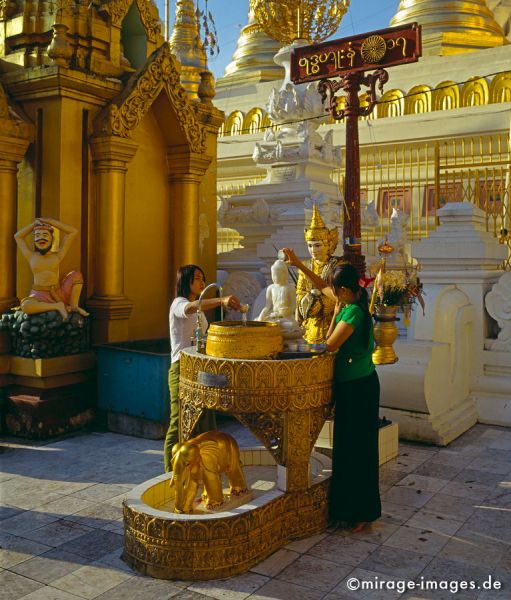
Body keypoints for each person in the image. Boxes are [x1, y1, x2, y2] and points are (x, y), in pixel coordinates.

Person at [282, 250, 381, 532]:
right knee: (349, 449)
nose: (332, 295)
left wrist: (334, 315)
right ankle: (350, 510)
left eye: (336, 292)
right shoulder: (354, 299)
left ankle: (361, 512)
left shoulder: (351, 313)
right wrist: (299, 264)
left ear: (345, 291)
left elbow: (329, 344)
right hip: (356, 386)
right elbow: (321, 286)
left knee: (357, 451)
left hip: (358, 389)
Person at [163, 264, 241, 473]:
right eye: (197, 278)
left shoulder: (197, 309)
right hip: (181, 367)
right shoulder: (179, 304)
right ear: (186, 281)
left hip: (199, 368)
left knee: (205, 419)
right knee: (179, 422)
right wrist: (220, 300)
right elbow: (189, 309)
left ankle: (206, 468)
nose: (202, 282)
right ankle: (171, 472)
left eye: (203, 278)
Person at [14, 218, 88, 320]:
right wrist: (33, 225)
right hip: (38, 294)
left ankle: (73, 306)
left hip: (57, 293)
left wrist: (51, 222)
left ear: (52, 239)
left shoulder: (57, 255)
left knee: (76, 275)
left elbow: (73, 232)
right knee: (26, 306)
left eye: (45, 235)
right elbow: (18, 236)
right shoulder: (31, 256)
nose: (41, 239)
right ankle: (57, 306)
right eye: (37, 236)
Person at [296, 205, 346, 344]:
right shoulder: (306, 266)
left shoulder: (336, 266)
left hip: (331, 320)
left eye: (317, 245)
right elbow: (299, 292)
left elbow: (340, 295)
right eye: (310, 245)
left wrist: (320, 304)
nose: (313, 250)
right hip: (309, 324)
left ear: (328, 244)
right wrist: (307, 300)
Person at [255, 259, 302, 341]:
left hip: (287, 318)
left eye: (278, 275)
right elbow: (267, 306)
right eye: (274, 275)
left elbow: (294, 306)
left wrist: (288, 311)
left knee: (291, 325)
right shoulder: (271, 288)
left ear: (285, 274)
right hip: (274, 317)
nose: (275, 277)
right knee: (261, 323)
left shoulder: (290, 288)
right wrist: (260, 318)